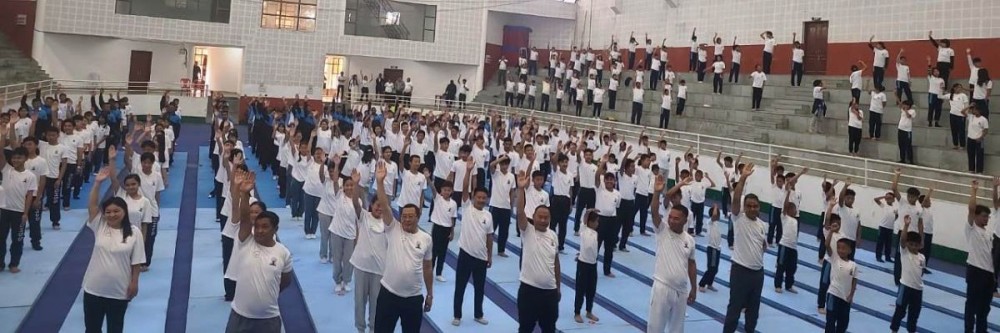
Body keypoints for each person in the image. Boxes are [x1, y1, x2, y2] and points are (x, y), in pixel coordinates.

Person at [225, 169, 292, 333]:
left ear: (275, 229)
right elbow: (245, 218)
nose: (260, 230)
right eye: (257, 226)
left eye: (265, 227)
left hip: (268, 319)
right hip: (239, 315)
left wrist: (269, 290)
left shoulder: (283, 252)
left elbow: (285, 281)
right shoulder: (246, 241)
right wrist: (245, 194)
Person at [372, 162, 434, 333]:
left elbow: (428, 268)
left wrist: (430, 293)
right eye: (404, 216)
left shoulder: (426, 239)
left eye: (410, 217)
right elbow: (384, 205)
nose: (406, 219)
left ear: (418, 217)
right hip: (389, 294)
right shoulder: (393, 228)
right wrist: (379, 182)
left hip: (413, 298)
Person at [82, 164, 144, 333]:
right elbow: (93, 206)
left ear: (124, 212)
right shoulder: (100, 226)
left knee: (115, 329)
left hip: (118, 290)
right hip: (93, 288)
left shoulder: (134, 232)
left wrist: (134, 282)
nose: (112, 215)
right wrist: (97, 184)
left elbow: (136, 261)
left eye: (116, 211)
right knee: (92, 329)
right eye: (108, 212)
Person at [647, 174, 697, 333]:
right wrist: (656, 192)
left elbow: (691, 264)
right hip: (662, 287)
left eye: (676, 219)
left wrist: (694, 288)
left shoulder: (689, 240)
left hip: (681, 291)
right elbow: (654, 212)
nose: (672, 220)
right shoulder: (662, 231)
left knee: (677, 329)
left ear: (685, 220)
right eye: (670, 217)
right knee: (655, 328)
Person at [515, 167, 560, 333]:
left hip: (550, 293)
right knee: (525, 328)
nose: (542, 219)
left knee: (549, 329)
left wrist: (558, 288)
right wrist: (520, 189)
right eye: (539, 217)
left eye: (546, 217)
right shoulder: (528, 231)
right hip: (529, 291)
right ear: (533, 217)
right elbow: (520, 211)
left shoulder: (553, 236)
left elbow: (556, 263)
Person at [723, 163, 766, 333]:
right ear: (744, 207)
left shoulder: (763, 225)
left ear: (759, 207)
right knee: (734, 311)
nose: (752, 208)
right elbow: (736, 198)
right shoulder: (738, 219)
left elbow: (762, 245)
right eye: (749, 205)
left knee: (753, 313)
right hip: (740, 271)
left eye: (755, 206)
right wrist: (743, 178)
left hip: (758, 274)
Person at [452, 159, 493, 326]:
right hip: (465, 255)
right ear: (474, 197)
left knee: (480, 288)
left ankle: (478, 313)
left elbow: (489, 238)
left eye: (484, 198)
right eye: (479, 197)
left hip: (481, 258)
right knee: (460, 287)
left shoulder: (488, 215)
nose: (481, 200)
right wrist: (468, 171)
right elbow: (464, 188)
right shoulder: (467, 207)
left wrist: (489, 256)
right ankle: (457, 315)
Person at [0, 128, 38, 273]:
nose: (15, 160)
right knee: (1, 239)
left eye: (19, 158)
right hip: (3, 210)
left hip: (19, 212)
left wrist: (25, 213)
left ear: (25, 159)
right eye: (14, 158)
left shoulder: (30, 176)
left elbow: (29, 195)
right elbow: (1, 153)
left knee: (18, 239)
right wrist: (3, 137)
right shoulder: (6, 170)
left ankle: (14, 263)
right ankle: (1, 263)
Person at [822, 201, 859, 333]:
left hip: (846, 298)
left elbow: (855, 280)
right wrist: (831, 232)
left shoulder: (853, 265)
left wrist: (851, 295)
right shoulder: (834, 258)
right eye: (839, 248)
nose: (841, 250)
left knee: (843, 323)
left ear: (850, 250)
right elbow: (827, 245)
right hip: (833, 294)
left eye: (844, 249)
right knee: (831, 321)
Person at [890, 214, 925, 333]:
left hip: (918, 289)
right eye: (911, 244)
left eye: (916, 245)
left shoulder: (922, 257)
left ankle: (911, 330)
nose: (913, 247)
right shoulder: (905, 253)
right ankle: (894, 330)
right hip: (905, 287)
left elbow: (921, 272)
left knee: (914, 314)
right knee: (900, 310)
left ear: (920, 246)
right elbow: (903, 240)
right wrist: (906, 225)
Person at [594, 152, 621, 277]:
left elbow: (617, 207)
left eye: (612, 179)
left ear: (614, 181)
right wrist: (603, 163)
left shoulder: (617, 193)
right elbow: (597, 175)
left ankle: (607, 270)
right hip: (600, 220)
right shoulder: (600, 188)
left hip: (612, 221)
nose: (609, 181)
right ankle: (591, 267)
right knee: (596, 245)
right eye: (607, 179)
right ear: (604, 181)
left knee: (609, 248)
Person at [574, 209, 600, 323]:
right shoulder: (583, 230)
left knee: (591, 289)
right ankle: (577, 312)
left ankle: (589, 311)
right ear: (590, 222)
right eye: (596, 222)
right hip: (583, 264)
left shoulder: (596, 233)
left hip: (593, 264)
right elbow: (584, 219)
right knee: (581, 289)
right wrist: (589, 211)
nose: (597, 224)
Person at [774, 186, 799, 294]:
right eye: (793, 209)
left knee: (792, 267)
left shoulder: (795, 221)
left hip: (793, 247)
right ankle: (778, 285)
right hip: (784, 245)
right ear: (788, 210)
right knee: (781, 265)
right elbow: (784, 206)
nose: (795, 211)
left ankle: (789, 285)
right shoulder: (784, 217)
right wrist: (788, 193)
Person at [489, 156, 515, 257]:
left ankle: (501, 250)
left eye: (506, 164)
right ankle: (486, 248)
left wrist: (511, 206)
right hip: (495, 205)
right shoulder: (495, 174)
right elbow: (491, 165)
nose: (504, 166)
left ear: (508, 165)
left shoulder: (511, 176)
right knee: (491, 229)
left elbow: (512, 192)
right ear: (499, 164)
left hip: (506, 207)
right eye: (502, 164)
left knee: (504, 231)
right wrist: (502, 158)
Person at [699, 204, 722, 292]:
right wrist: (716, 207)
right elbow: (714, 215)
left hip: (717, 249)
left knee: (715, 269)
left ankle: (709, 283)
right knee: (711, 268)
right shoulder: (710, 222)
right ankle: (702, 284)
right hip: (712, 249)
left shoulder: (717, 223)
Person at [874, 192, 897, 262]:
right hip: (883, 227)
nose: (889, 199)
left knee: (888, 244)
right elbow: (875, 199)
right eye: (888, 198)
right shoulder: (883, 205)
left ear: (893, 200)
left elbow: (896, 216)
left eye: (891, 198)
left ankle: (888, 257)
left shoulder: (895, 208)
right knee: (880, 243)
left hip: (890, 228)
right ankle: (878, 256)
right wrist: (884, 196)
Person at [945, 84, 970, 149]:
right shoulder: (951, 95)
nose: (959, 89)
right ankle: (955, 144)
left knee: (961, 130)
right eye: (958, 87)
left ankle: (962, 145)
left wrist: (966, 115)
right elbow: (940, 96)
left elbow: (966, 105)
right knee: (954, 130)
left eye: (960, 88)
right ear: (954, 88)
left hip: (961, 115)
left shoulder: (963, 95)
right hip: (952, 114)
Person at [966, 104, 989, 174]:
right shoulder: (971, 117)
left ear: (979, 111)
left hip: (979, 139)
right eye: (973, 110)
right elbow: (962, 112)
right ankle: (971, 170)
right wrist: (969, 106)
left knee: (979, 155)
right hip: (970, 138)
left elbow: (986, 130)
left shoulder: (983, 119)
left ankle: (980, 171)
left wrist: (980, 137)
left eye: (975, 109)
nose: (973, 111)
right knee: (970, 154)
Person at [896, 100, 916, 164]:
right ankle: (902, 159)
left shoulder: (912, 111)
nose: (903, 106)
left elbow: (909, 116)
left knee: (908, 145)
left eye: (905, 105)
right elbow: (899, 104)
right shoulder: (903, 110)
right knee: (901, 145)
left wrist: (906, 110)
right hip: (900, 129)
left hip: (907, 131)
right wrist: (896, 95)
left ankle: (910, 160)